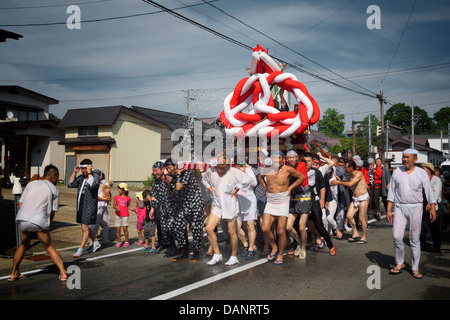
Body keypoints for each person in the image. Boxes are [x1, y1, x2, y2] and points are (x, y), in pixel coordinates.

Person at [9, 165, 67, 282]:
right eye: (57, 177)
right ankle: (63, 273)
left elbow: (20, 204)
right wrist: (47, 223)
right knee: (48, 246)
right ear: (53, 176)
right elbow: (52, 212)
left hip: (24, 218)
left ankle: (14, 273)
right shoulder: (54, 190)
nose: (57, 180)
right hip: (39, 220)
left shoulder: (31, 184)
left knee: (23, 245)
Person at [386, 149, 437, 279]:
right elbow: (392, 191)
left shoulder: (421, 173)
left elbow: (429, 190)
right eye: (403, 157)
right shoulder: (397, 172)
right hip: (399, 207)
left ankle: (415, 267)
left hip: (416, 207)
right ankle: (399, 263)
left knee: (414, 238)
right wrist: (388, 209)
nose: (405, 159)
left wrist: (432, 207)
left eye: (408, 157)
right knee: (397, 236)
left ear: (415, 159)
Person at [200, 154, 254, 266]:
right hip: (217, 205)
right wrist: (211, 189)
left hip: (230, 205)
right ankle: (217, 254)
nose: (220, 166)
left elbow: (248, 180)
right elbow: (204, 179)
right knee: (209, 228)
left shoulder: (233, 171)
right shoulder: (211, 171)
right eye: (218, 164)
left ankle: (233, 256)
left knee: (231, 232)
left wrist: (237, 188)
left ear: (228, 164)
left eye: (223, 164)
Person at [259, 152, 306, 264]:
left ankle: (280, 254)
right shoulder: (267, 169)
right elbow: (260, 178)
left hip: (283, 200)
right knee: (265, 228)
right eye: (274, 158)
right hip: (271, 201)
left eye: (279, 158)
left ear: (283, 159)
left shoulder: (287, 169)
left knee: (281, 231)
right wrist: (266, 188)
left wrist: (290, 187)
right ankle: (274, 247)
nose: (277, 160)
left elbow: (302, 177)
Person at [165, 158, 204, 262]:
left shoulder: (186, 173)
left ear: (176, 166)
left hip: (195, 204)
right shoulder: (173, 177)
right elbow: (173, 191)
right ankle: (184, 252)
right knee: (178, 226)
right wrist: (169, 183)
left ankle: (197, 251)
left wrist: (177, 175)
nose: (168, 170)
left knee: (195, 228)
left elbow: (178, 187)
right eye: (167, 169)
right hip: (185, 205)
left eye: (169, 168)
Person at [305, 153, 337, 256]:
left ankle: (330, 245)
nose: (307, 163)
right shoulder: (299, 171)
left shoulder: (319, 171)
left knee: (320, 224)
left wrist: (323, 199)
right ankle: (304, 244)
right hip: (303, 201)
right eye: (305, 161)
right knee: (304, 224)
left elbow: (323, 186)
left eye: (309, 161)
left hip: (316, 200)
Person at [331, 159, 370, 245]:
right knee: (349, 216)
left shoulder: (358, 174)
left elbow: (350, 184)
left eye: (346, 167)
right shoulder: (350, 175)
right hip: (355, 198)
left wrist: (338, 182)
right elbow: (349, 182)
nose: (345, 169)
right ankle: (355, 233)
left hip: (363, 198)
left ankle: (364, 237)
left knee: (361, 218)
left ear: (351, 167)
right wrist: (340, 180)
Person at [68, 159, 101, 258]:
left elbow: (93, 185)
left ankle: (81, 249)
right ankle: (95, 242)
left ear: (89, 167)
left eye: (84, 168)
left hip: (90, 205)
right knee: (84, 227)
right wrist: (74, 172)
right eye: (81, 169)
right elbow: (70, 184)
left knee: (84, 227)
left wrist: (90, 172)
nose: (82, 171)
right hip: (81, 205)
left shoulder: (95, 176)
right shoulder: (81, 177)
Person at [285, 150, 311, 260]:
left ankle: (303, 249)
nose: (291, 159)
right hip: (293, 198)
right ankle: (299, 243)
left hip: (304, 197)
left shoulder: (302, 164)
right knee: (288, 227)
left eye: (293, 157)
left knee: (301, 227)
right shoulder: (286, 166)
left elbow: (299, 178)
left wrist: (289, 187)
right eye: (289, 157)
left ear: (297, 158)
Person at [152, 161, 177, 257]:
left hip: (174, 207)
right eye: (153, 171)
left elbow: (176, 191)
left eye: (156, 171)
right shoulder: (155, 180)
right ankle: (171, 248)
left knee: (173, 229)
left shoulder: (171, 177)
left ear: (162, 169)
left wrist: (169, 183)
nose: (154, 173)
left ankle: (181, 249)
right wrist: (152, 209)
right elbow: (154, 194)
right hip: (163, 208)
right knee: (164, 229)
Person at [234, 160, 258, 260]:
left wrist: (244, 172)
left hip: (250, 200)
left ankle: (251, 249)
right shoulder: (232, 172)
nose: (240, 167)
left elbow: (254, 183)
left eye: (241, 165)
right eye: (238, 165)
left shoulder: (248, 170)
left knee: (250, 225)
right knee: (237, 226)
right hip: (237, 201)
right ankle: (245, 244)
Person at [420, 163, 442, 252]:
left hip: (433, 207)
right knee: (422, 227)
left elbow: (436, 193)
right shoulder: (421, 179)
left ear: (429, 170)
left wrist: (430, 203)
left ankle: (436, 245)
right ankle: (422, 244)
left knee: (434, 227)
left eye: (424, 168)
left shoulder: (436, 179)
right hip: (422, 206)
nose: (422, 170)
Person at [90, 171, 111, 245]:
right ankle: (91, 241)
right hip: (97, 206)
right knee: (95, 224)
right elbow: (94, 197)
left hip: (104, 206)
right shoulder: (94, 185)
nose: (100, 176)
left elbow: (108, 191)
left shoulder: (103, 184)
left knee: (106, 223)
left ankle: (106, 239)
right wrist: (104, 199)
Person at [113, 183, 136, 248]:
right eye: (118, 189)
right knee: (118, 229)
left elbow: (128, 205)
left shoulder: (128, 198)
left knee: (125, 229)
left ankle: (126, 241)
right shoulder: (116, 197)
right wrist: (116, 208)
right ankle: (119, 242)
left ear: (124, 190)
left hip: (125, 215)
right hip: (118, 215)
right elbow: (114, 205)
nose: (118, 190)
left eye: (120, 189)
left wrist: (132, 209)